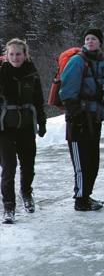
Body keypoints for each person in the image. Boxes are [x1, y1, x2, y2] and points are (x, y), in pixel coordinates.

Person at [59, 28, 104, 211]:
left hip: (94, 118)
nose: (90, 41)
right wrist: (75, 113)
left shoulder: (103, 63)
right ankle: (80, 199)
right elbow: (67, 90)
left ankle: (86, 195)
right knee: (81, 163)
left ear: (100, 43)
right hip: (78, 119)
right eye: (87, 38)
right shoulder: (77, 61)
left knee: (93, 161)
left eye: (94, 39)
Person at [0, 39, 46, 223]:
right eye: (11, 54)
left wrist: (41, 123)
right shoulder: (1, 72)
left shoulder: (32, 73)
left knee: (28, 165)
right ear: (6, 55)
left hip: (26, 126)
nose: (15, 57)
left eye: (18, 54)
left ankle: (26, 193)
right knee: (8, 167)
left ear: (25, 54)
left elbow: (38, 99)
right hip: (5, 128)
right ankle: (8, 206)